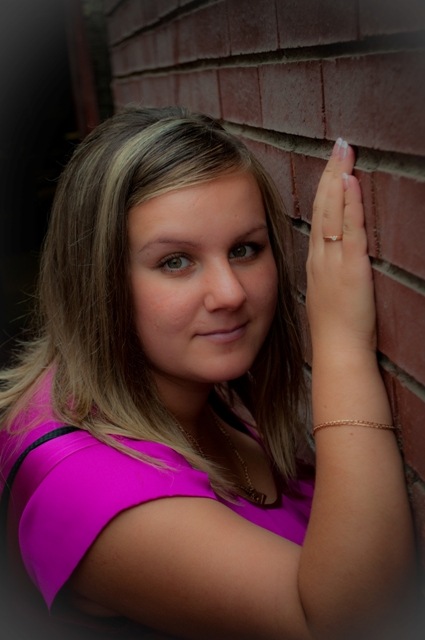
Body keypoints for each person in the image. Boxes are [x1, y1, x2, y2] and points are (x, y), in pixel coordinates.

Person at [0, 105, 416, 639]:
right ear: (97, 281)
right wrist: (342, 344)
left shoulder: (169, 389)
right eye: (175, 261)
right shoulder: (82, 482)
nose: (230, 293)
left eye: (244, 249)